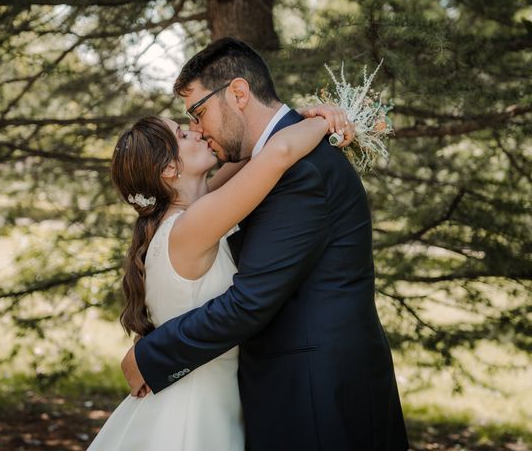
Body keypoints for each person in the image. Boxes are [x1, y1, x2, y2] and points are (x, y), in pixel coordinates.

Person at [121, 37, 410, 451]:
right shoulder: (259, 168)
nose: (198, 130)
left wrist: (151, 356)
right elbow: (269, 156)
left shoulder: (300, 172)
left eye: (198, 113)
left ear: (238, 93)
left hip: (316, 396)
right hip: (276, 393)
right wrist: (318, 120)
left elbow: (251, 300)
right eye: (189, 126)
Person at [87, 106, 351, 450]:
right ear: (169, 168)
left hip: (199, 395)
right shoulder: (191, 226)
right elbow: (278, 153)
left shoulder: (191, 214)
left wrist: (294, 115)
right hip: (194, 410)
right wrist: (325, 121)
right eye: (182, 135)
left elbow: (256, 149)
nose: (195, 132)